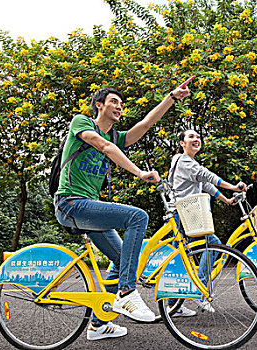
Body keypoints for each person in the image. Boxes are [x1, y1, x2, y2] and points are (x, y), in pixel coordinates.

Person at [54, 78, 194, 341]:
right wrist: (140, 172)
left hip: (89, 208)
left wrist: (172, 97)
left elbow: (145, 124)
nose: (119, 107)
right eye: (113, 102)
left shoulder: (116, 135)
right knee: (137, 216)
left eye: (121, 104)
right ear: (99, 105)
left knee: (121, 259)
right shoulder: (82, 123)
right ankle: (126, 293)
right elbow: (105, 147)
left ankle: (98, 325)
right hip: (71, 203)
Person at [166, 129, 246, 317]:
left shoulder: (190, 162)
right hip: (182, 213)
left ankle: (173, 305)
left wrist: (226, 200)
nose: (196, 139)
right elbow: (207, 176)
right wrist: (233, 187)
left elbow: (206, 185)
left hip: (187, 212)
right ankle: (199, 288)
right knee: (209, 245)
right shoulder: (183, 161)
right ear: (182, 143)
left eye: (198, 137)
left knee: (180, 256)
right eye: (191, 137)